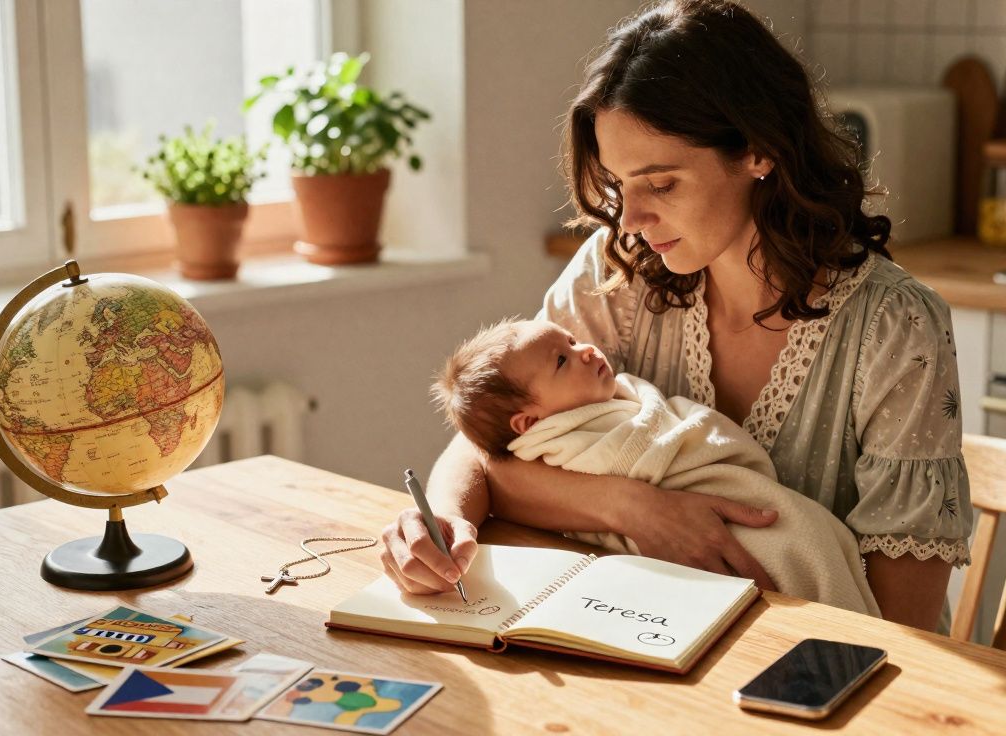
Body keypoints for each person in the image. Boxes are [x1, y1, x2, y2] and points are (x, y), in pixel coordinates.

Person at [380, 0, 972, 632]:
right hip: (673, 632)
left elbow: (901, 627)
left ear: (759, 151)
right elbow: (490, 445)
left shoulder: (894, 326)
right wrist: (453, 520)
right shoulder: (618, 270)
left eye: (660, 185)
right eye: (618, 185)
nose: (629, 220)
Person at [426, 316, 881, 616]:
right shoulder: (557, 439)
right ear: (529, 422)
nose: (585, 349)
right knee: (801, 552)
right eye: (563, 359)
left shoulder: (591, 398)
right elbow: (485, 457)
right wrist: (447, 519)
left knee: (809, 539)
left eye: (571, 339)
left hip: (726, 512)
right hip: (666, 576)